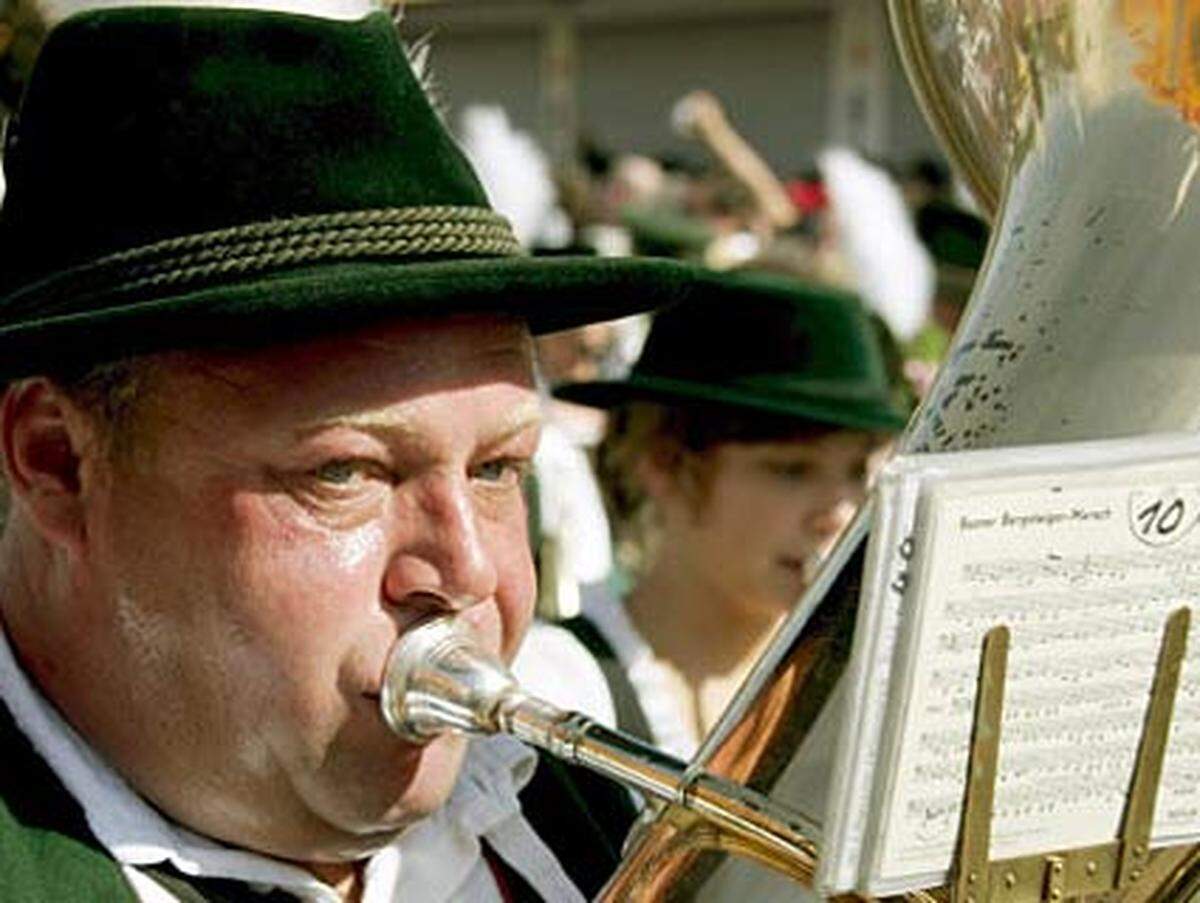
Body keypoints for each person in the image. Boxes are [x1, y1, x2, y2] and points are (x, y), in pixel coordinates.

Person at [0, 3, 723, 900]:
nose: (466, 573)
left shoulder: (572, 803)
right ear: (57, 463)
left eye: (497, 469)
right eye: (344, 472)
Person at [553, 271, 910, 759]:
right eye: (792, 470)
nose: (840, 512)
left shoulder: (867, 695)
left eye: (855, 472)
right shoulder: (564, 689)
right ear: (666, 463)